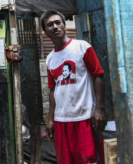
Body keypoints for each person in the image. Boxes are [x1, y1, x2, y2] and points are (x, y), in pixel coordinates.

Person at [42, 9, 106, 164]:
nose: (55, 26)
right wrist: (51, 119)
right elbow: (53, 90)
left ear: (64, 25)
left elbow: (98, 75)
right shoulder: (50, 59)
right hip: (61, 120)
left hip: (84, 117)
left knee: (89, 159)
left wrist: (99, 108)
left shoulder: (82, 47)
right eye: (50, 25)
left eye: (58, 22)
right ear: (45, 32)